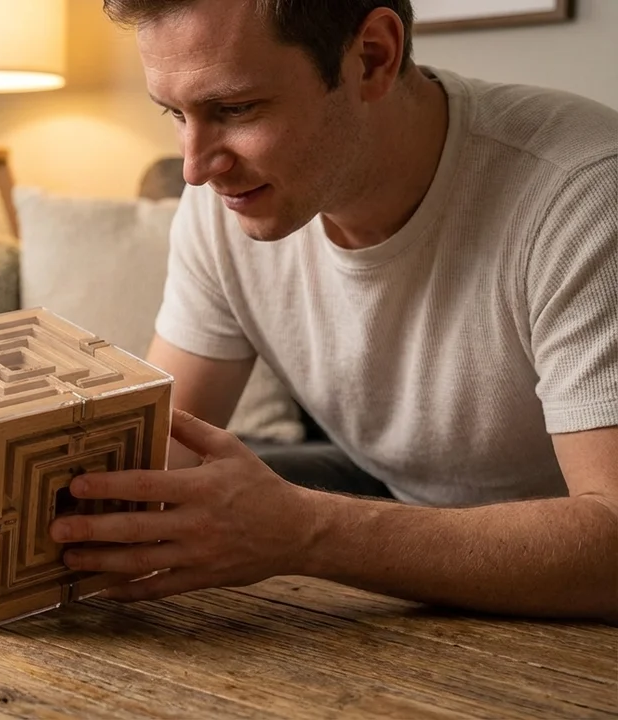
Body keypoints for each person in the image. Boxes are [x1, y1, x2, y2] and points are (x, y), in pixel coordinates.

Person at [47, 0, 618, 621]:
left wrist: (307, 531)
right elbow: (158, 455)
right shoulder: (222, 209)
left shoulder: (583, 197)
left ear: (372, 56)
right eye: (175, 114)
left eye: (235, 109)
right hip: (404, 513)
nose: (194, 167)